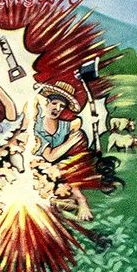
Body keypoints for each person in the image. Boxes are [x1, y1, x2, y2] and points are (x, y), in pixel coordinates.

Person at [34, 78, 93, 221]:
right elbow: (49, 156)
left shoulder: (64, 126)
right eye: (54, 103)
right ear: (47, 103)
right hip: (34, 169)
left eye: (62, 106)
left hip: (55, 172)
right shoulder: (37, 124)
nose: (57, 108)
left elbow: (78, 123)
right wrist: (71, 141)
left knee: (68, 167)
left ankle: (80, 201)